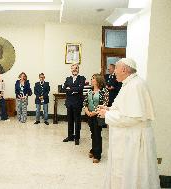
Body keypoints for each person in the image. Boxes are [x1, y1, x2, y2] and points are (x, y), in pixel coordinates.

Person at [97, 58, 160, 189]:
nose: (114, 74)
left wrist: (106, 115)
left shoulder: (136, 85)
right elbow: (124, 109)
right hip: (129, 137)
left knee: (132, 175)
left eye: (116, 71)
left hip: (134, 140)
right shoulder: (129, 83)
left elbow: (133, 118)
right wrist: (109, 109)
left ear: (124, 69)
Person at [84, 74, 108, 163]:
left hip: (98, 116)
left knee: (97, 134)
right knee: (92, 133)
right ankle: (93, 150)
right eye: (92, 78)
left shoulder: (104, 91)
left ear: (98, 80)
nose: (91, 80)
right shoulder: (89, 91)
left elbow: (104, 104)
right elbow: (85, 103)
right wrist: (87, 112)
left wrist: (94, 113)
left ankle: (97, 155)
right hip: (89, 115)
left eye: (93, 78)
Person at [62, 64, 86, 145]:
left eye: (76, 68)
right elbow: (64, 88)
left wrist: (70, 89)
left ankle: (77, 138)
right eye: (73, 68)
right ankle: (70, 136)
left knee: (77, 121)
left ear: (78, 69)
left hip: (77, 103)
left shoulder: (82, 78)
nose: (74, 70)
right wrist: (74, 89)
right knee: (70, 120)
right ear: (71, 70)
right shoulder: (67, 79)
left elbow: (80, 88)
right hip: (69, 102)